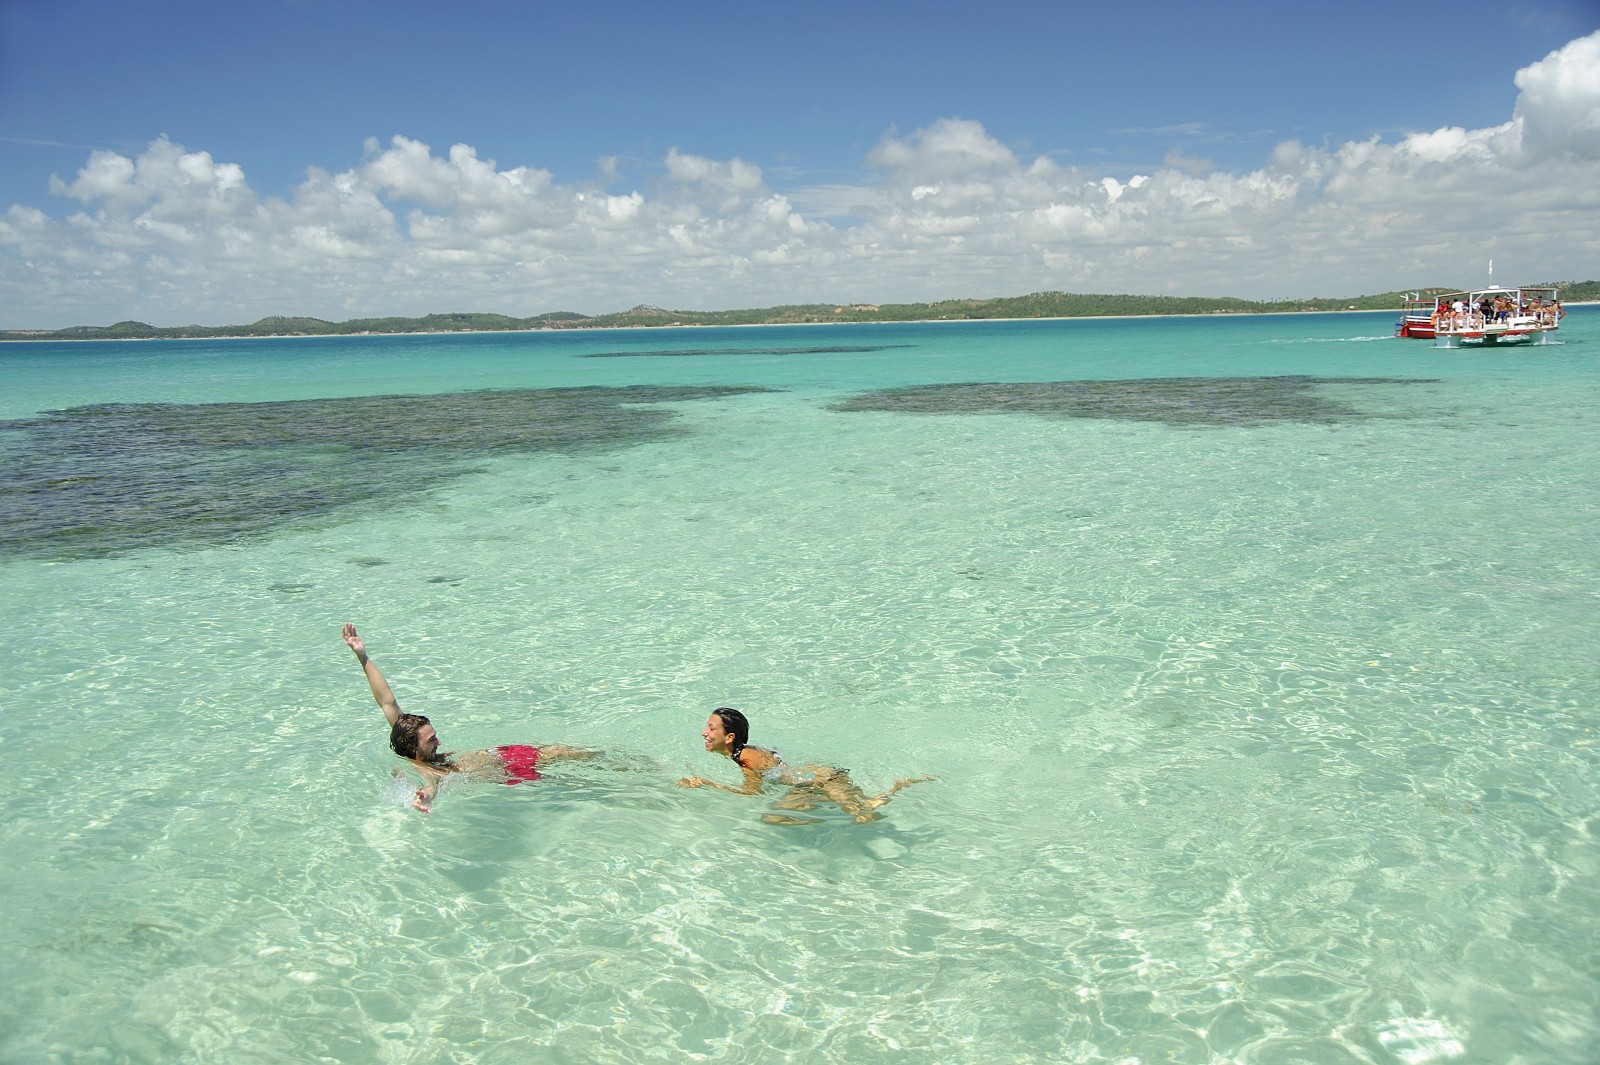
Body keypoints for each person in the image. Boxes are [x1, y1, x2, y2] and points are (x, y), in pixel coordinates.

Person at [342, 622, 593, 811]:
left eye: (435, 736)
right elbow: (430, 785)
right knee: (579, 784)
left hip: (506, 753)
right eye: (431, 741)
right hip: (512, 774)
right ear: (413, 749)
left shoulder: (406, 735)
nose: (438, 742)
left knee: (579, 753)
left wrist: (362, 656)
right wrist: (426, 796)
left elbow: (386, 700)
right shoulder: (425, 769)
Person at [678, 706, 930, 823]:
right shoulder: (742, 752)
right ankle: (892, 788)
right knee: (860, 813)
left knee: (864, 815)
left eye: (711, 728)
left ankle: (900, 785)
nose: (704, 733)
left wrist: (707, 784)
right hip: (814, 781)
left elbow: (753, 792)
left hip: (822, 779)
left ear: (730, 737)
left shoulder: (746, 758)